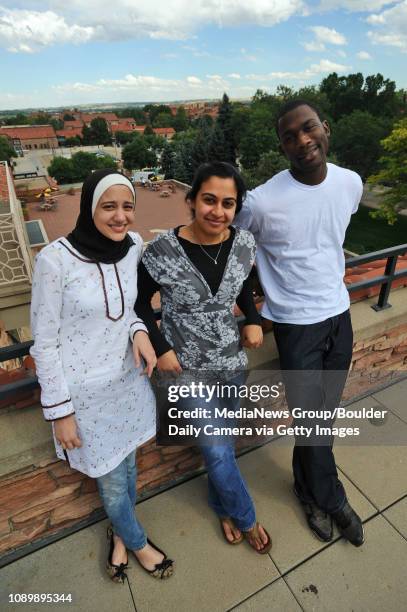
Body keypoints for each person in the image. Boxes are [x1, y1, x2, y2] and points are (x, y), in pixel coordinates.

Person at [30, 169, 174, 583]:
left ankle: (119, 536)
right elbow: (44, 342)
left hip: (126, 381)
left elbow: (127, 308)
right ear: (90, 207)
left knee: (128, 463)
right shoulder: (54, 260)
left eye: (127, 206)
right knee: (111, 482)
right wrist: (61, 412)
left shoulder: (132, 247)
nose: (120, 217)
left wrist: (140, 331)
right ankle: (138, 541)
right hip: (85, 396)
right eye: (108, 207)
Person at [235, 99, 365, 547]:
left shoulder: (350, 183)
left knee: (320, 419)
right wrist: (253, 309)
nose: (302, 140)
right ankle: (333, 501)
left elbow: (329, 240)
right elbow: (234, 253)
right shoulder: (263, 202)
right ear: (282, 146)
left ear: (325, 128)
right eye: (290, 136)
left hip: (339, 315)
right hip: (295, 326)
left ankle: (306, 490)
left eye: (308, 128)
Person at [135, 161, 272, 553]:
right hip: (184, 367)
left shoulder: (244, 243)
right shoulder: (160, 251)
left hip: (231, 362)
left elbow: (243, 282)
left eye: (228, 203)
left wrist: (252, 318)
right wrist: (160, 348)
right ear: (192, 200)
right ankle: (246, 517)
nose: (218, 211)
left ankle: (222, 506)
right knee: (215, 446)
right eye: (209, 200)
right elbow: (141, 305)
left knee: (221, 444)